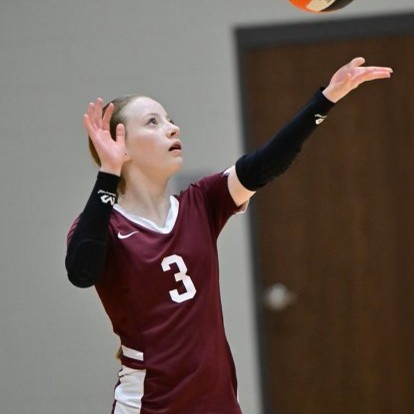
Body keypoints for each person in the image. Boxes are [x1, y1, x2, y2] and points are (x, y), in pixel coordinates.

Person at [65, 57, 392, 414]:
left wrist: (327, 98)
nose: (173, 129)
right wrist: (108, 172)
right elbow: (81, 272)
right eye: (153, 122)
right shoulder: (103, 225)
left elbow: (267, 162)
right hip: (149, 405)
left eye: (170, 120)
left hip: (218, 403)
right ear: (121, 145)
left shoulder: (202, 202)